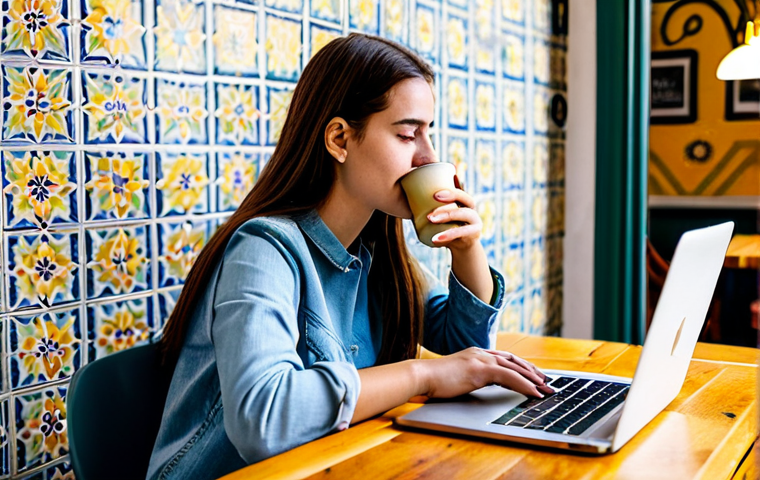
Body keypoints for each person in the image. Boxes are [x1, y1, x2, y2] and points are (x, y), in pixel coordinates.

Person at [146, 33, 553, 480]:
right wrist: (422, 376)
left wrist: (467, 250)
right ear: (340, 138)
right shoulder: (264, 250)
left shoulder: (376, 253)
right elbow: (263, 417)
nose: (429, 157)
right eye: (407, 133)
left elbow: (463, 351)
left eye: (429, 134)